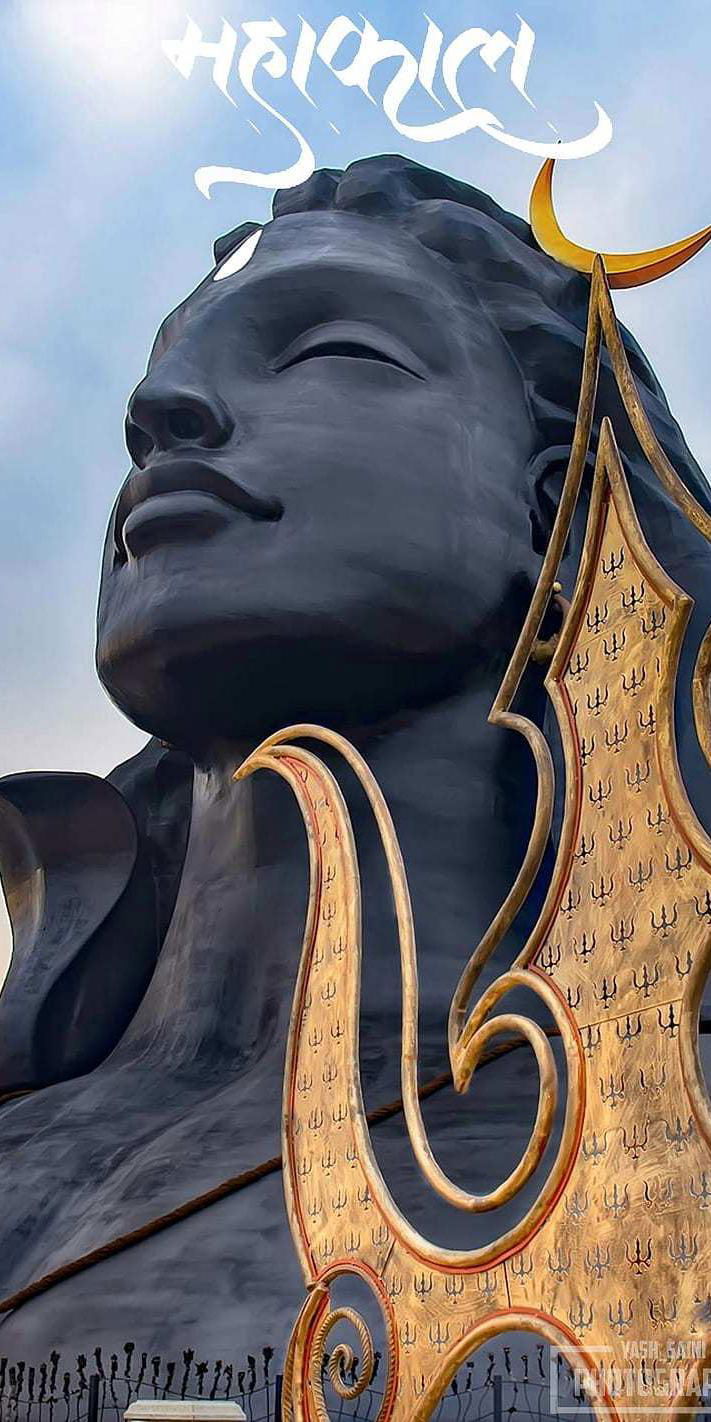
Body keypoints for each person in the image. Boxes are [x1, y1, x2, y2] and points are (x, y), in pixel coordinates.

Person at [0, 154, 709, 1364]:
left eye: (332, 353)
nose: (161, 411)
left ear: (553, 507)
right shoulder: (30, 1132)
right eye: (159, 372)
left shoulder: (662, 1141)